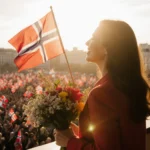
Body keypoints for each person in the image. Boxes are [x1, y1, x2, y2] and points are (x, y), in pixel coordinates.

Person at [54, 20, 150, 150]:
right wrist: (82, 133)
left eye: (93, 38)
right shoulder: (128, 86)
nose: (87, 43)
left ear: (106, 48)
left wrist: (70, 142)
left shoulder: (102, 93)